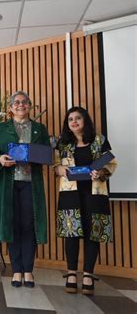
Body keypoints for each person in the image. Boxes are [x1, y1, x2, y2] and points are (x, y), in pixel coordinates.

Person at [0, 90, 49, 288]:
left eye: (24, 102)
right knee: (11, 225)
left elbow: (47, 154)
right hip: (8, 182)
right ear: (10, 107)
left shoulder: (40, 129)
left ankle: (28, 270)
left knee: (28, 225)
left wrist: (37, 156)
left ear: (30, 106)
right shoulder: (1, 128)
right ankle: (16, 270)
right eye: (16, 102)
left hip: (31, 183)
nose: (20, 105)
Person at [54, 107, 117, 295]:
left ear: (85, 120)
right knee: (71, 233)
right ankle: (71, 273)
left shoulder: (99, 140)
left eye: (78, 118)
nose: (74, 122)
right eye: (70, 119)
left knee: (93, 233)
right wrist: (60, 170)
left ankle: (88, 274)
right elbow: (55, 166)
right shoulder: (63, 144)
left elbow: (111, 163)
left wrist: (101, 172)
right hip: (70, 194)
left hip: (95, 194)